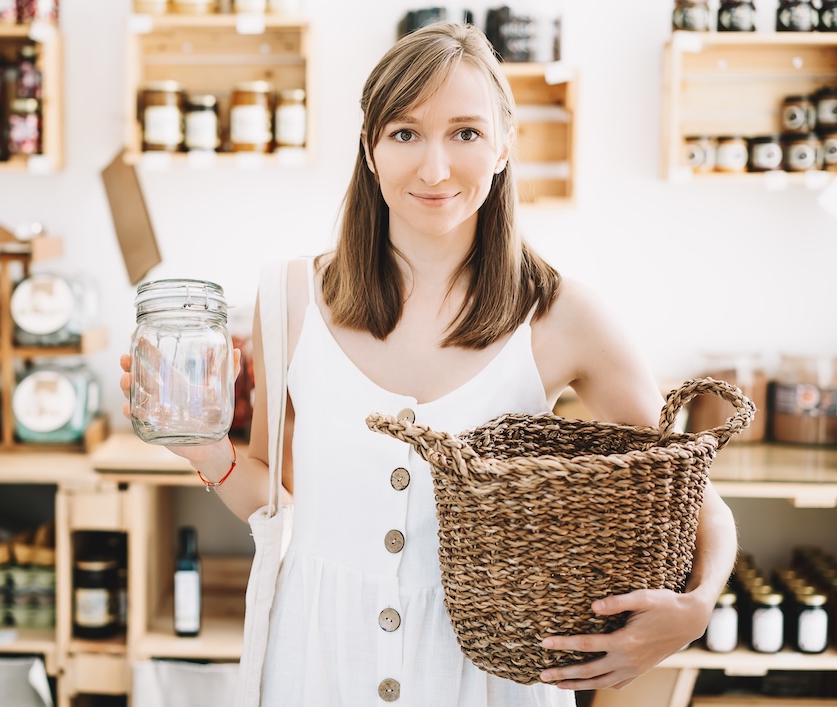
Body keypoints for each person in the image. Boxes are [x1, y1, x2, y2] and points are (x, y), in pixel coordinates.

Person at [120, 21, 738, 707]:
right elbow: (276, 499)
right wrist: (206, 452)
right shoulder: (288, 296)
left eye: (466, 133)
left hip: (490, 678)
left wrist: (697, 608)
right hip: (318, 660)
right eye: (405, 133)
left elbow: (698, 499)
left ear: (505, 146)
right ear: (370, 147)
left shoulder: (561, 315)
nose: (435, 168)